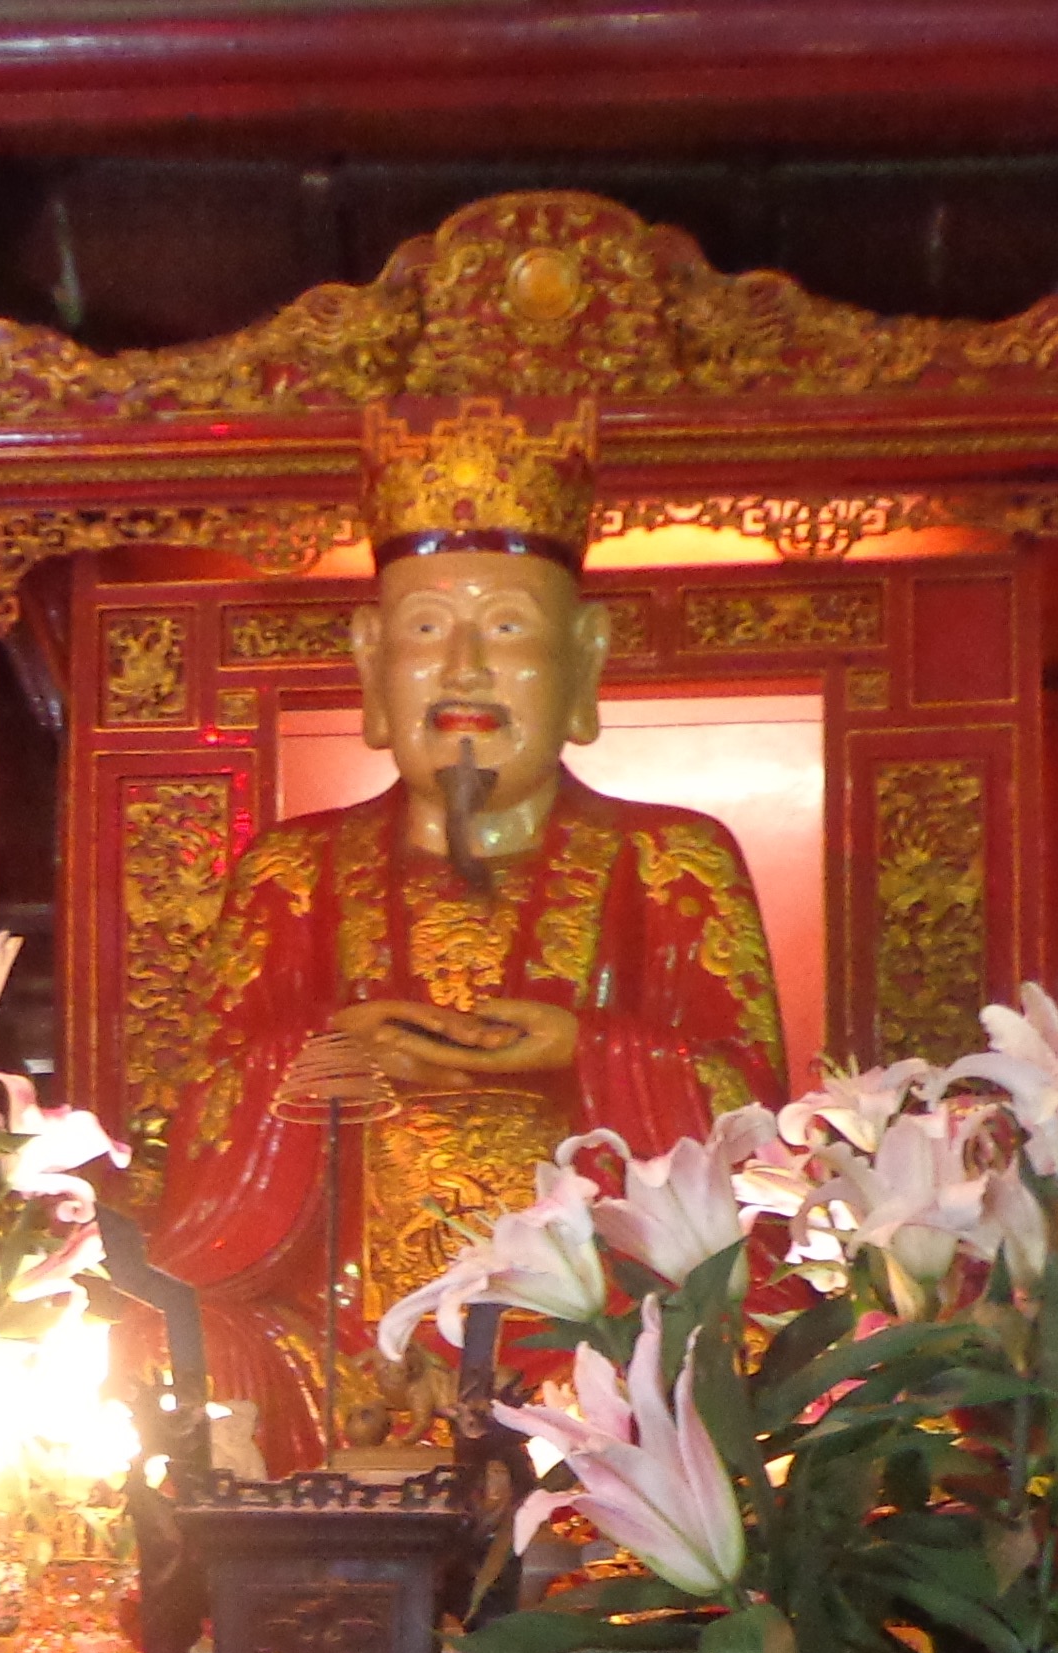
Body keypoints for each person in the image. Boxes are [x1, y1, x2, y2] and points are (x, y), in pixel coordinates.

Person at [140, 395, 786, 1470]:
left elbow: (756, 1129)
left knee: (762, 1348)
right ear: (371, 663)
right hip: (333, 1346)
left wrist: (585, 1052)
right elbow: (202, 1120)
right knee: (152, 1348)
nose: (466, 671)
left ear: (585, 662)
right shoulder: (291, 873)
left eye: (509, 631)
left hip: (602, 1339)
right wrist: (314, 1067)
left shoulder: (674, 859)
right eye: (429, 631)